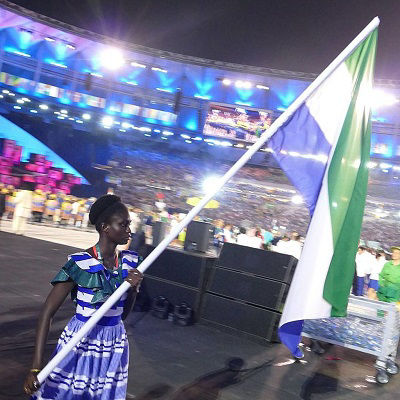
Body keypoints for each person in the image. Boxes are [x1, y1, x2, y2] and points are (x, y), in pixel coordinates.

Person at [23, 195, 144, 398]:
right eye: (122, 225)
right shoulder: (80, 264)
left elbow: (122, 316)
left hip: (114, 343)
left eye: (129, 224)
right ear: (105, 227)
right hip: (80, 342)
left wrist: (133, 290)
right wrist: (35, 367)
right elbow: (47, 313)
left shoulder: (130, 264)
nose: (128, 231)